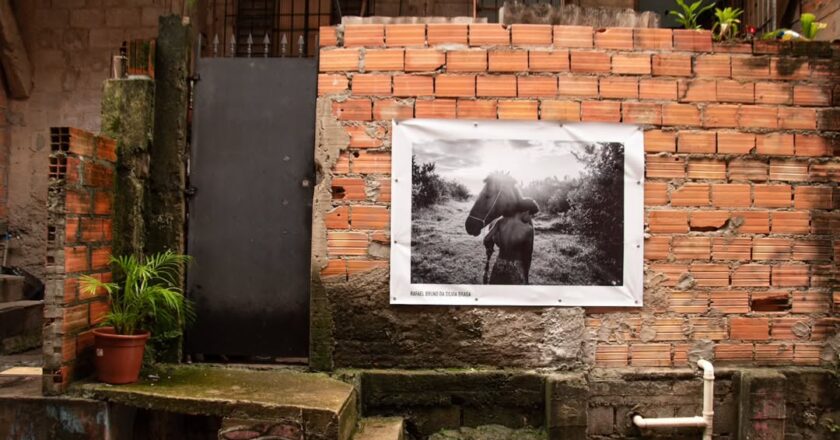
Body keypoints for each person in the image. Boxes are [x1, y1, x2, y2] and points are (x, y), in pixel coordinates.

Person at [483, 198, 539, 285]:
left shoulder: (500, 221)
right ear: (526, 211)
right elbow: (528, 254)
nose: (530, 219)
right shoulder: (528, 229)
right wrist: (526, 276)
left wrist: (489, 248)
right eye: (531, 215)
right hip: (517, 267)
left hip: (500, 264)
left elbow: (486, 238)